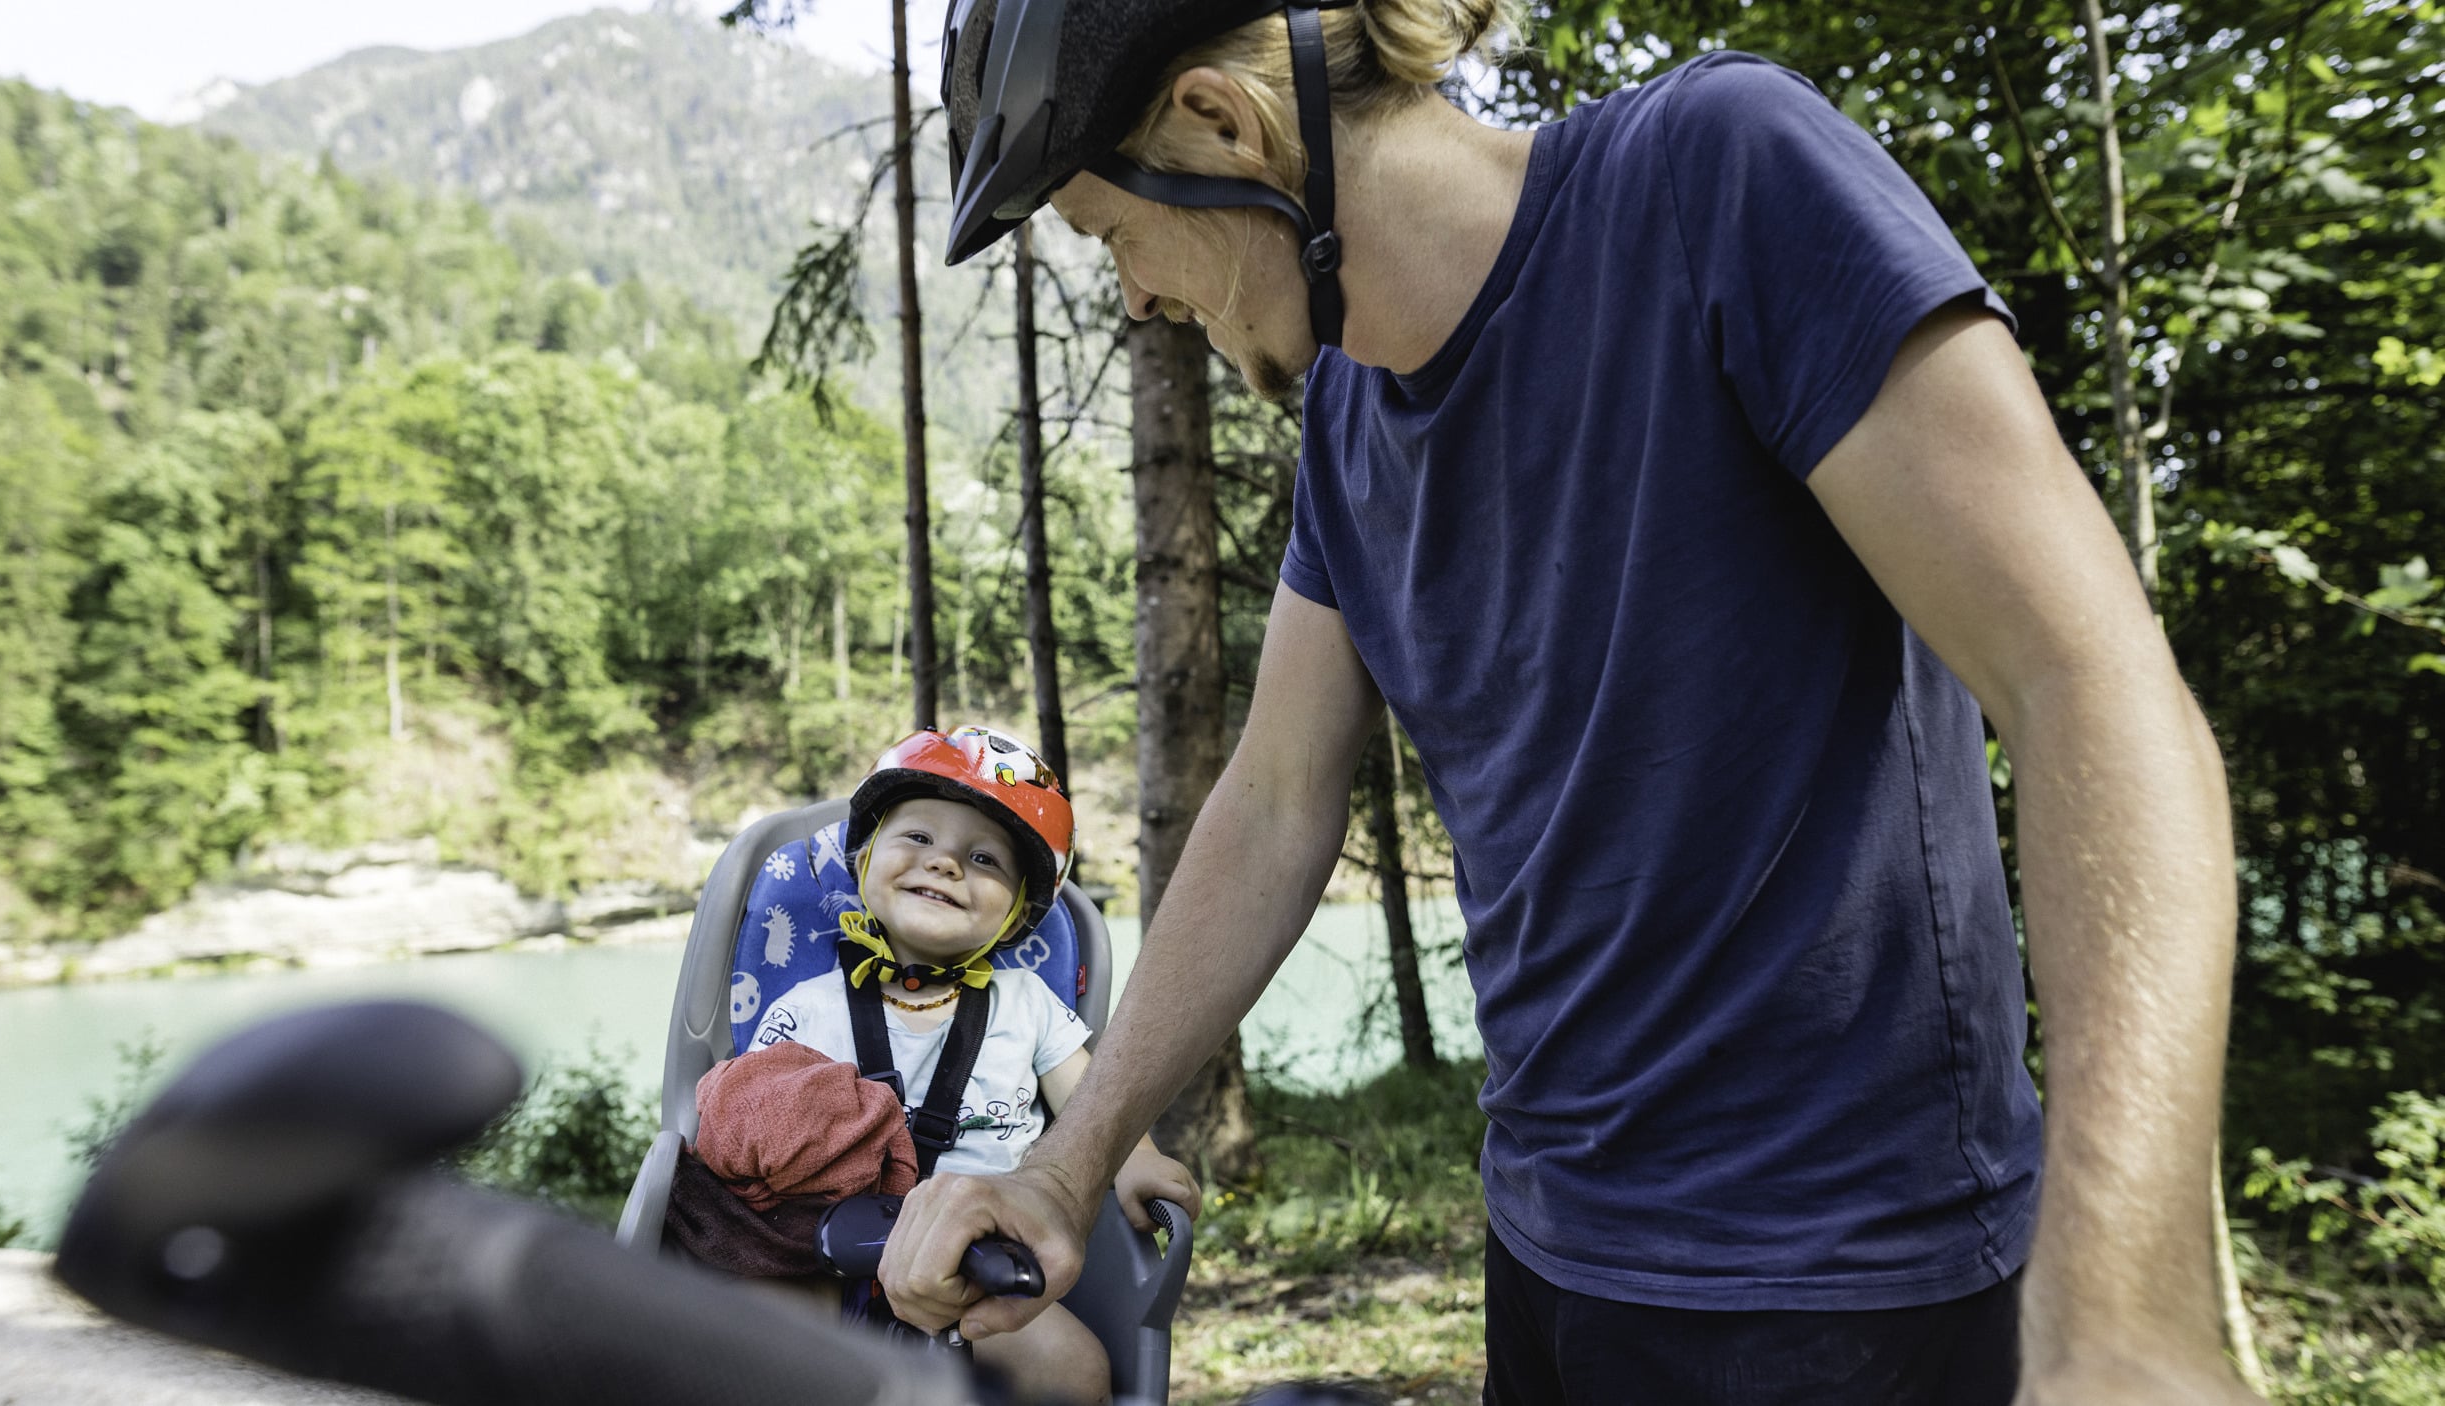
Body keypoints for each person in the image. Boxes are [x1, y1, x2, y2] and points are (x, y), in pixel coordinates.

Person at [892, 2, 2258, 1403]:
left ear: (1221, 127)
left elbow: (2088, 677)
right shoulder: (1354, 428)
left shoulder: (1716, 181)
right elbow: (1275, 802)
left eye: (1109, 233)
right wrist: (1064, 1164)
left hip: (1846, 1277)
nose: (1133, 294)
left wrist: (2124, 1316)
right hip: (1553, 1260)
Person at [724, 726, 1199, 1405]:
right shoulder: (807, 1007)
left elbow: (1093, 1100)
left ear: (1014, 917)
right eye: (916, 838)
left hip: (981, 1272)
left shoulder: (1028, 1004)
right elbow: (745, 1119)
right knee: (748, 1348)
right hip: (822, 1260)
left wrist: (1138, 1156)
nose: (945, 864)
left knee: (1078, 1369)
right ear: (864, 862)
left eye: (983, 859)